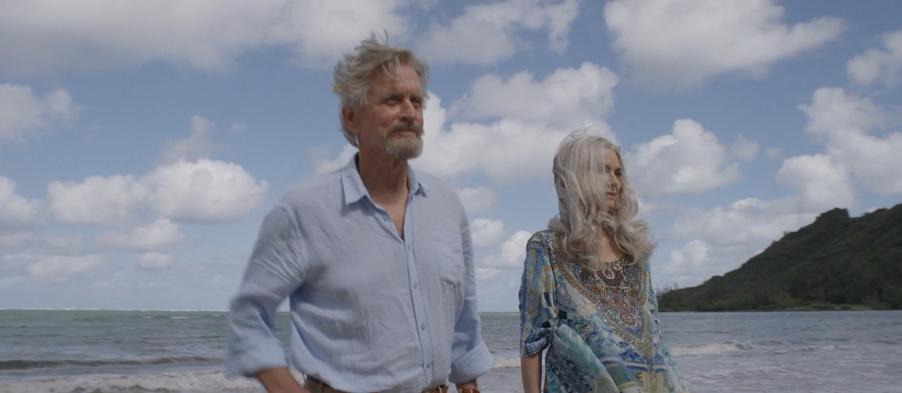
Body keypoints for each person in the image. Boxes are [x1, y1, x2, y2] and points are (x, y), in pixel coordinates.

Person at [226, 35, 492, 393]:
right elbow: (248, 318)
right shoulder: (304, 209)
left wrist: (469, 384)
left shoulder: (446, 204)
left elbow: (463, 314)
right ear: (351, 117)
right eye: (393, 100)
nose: (410, 112)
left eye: (417, 101)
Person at [519, 133, 689, 393]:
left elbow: (653, 335)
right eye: (603, 171)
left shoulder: (634, 249)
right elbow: (532, 341)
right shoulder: (547, 248)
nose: (614, 182)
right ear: (577, 178)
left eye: (618, 173)